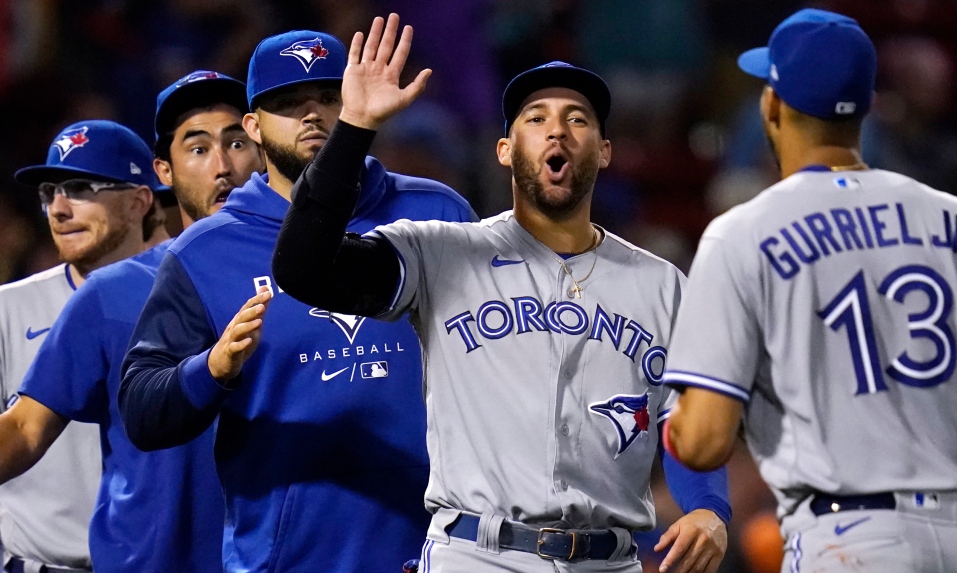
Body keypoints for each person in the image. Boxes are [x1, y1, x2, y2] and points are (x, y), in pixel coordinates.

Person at [272, 15, 730, 573]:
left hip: (609, 560)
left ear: (605, 151)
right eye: (536, 119)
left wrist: (710, 508)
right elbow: (304, 268)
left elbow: (690, 420)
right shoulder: (438, 253)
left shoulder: (663, 285)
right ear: (506, 150)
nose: (557, 131)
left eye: (577, 119)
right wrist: (354, 128)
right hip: (478, 554)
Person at [661, 8, 957, 572]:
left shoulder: (744, 233)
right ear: (869, 108)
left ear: (772, 105)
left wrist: (674, 416)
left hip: (850, 537)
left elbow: (703, 441)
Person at [119, 28, 477, 573]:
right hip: (290, 560)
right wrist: (210, 368)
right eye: (289, 103)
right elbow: (143, 411)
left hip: (443, 551)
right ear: (253, 127)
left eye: (329, 98)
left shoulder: (436, 212)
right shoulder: (207, 250)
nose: (312, 114)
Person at [5, 71, 261, 572]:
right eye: (198, 148)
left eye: (236, 141)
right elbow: (24, 430)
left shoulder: (312, 277)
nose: (223, 166)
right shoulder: (110, 292)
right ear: (163, 171)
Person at [0, 119, 163, 573]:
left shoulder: (189, 299)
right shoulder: (7, 309)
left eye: (79, 188)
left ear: (138, 201)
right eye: (49, 192)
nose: (58, 208)